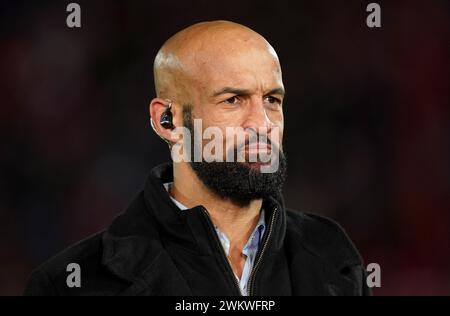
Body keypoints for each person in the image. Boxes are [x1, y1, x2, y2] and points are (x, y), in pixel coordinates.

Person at [24, 20, 370, 296]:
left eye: (272, 100)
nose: (262, 124)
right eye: (233, 100)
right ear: (168, 121)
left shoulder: (332, 257)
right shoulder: (77, 283)